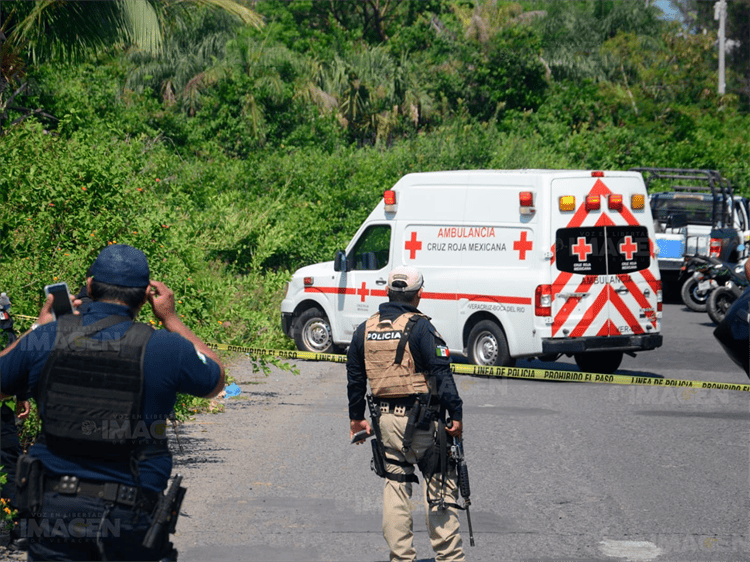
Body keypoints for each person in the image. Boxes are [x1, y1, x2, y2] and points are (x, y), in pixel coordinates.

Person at [0, 244, 224, 561]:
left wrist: (41, 328)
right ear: (147, 295)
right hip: (129, 518)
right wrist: (171, 318)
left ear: (89, 286)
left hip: (53, 513)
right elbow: (215, 381)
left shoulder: (45, 338)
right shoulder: (167, 347)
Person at [347, 265, 465, 562]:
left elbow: (355, 377)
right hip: (424, 420)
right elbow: (441, 374)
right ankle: (449, 557)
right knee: (439, 486)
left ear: (387, 292)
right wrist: (457, 412)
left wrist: (356, 418)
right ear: (418, 295)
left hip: (385, 421)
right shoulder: (422, 327)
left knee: (396, 485)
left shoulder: (365, 329)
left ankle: (401, 557)